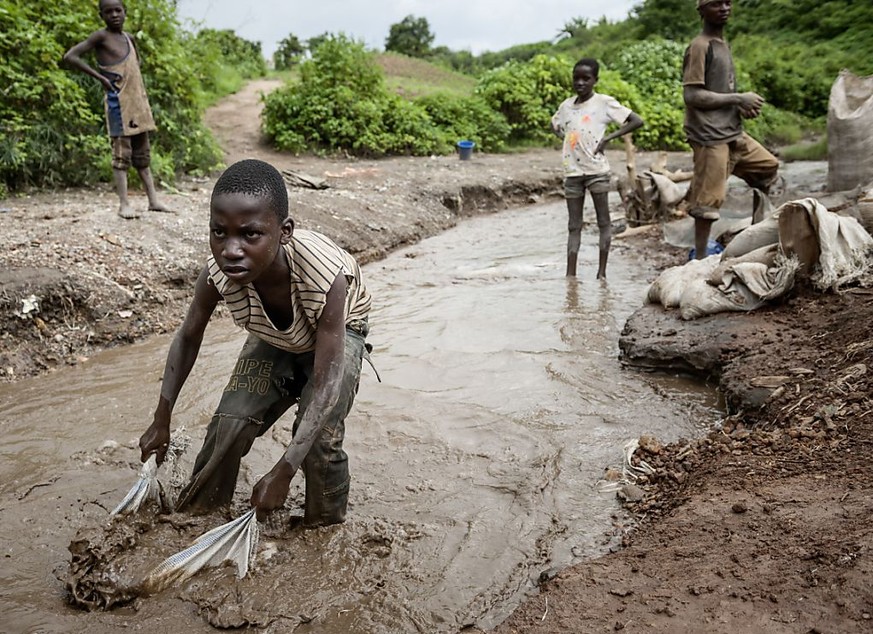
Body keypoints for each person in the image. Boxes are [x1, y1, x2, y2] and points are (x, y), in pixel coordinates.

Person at [138, 159, 372, 527]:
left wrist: (283, 471)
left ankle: (323, 531)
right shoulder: (218, 275)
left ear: (284, 231)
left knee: (319, 441)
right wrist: (161, 418)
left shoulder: (324, 276)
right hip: (275, 335)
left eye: (250, 234)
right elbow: (188, 336)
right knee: (229, 423)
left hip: (338, 330)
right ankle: (198, 518)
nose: (231, 249)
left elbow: (326, 385)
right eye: (219, 233)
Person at [683, 0, 779, 259]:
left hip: (732, 133)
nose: (724, 8)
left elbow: (718, 92)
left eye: (727, 2)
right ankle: (699, 259)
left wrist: (739, 107)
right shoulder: (699, 46)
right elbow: (692, 95)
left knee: (768, 168)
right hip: (710, 137)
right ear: (701, 11)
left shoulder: (722, 44)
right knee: (707, 204)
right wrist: (738, 98)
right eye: (716, 4)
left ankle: (757, 233)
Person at [63, 0, 170, 219]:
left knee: (143, 155)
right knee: (121, 156)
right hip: (118, 106)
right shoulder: (100, 37)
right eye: (108, 11)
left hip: (138, 105)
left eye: (118, 10)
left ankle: (153, 200)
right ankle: (124, 204)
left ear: (125, 13)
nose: (114, 15)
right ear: (101, 15)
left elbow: (135, 67)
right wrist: (100, 78)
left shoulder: (129, 39)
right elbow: (70, 56)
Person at [551, 58, 644, 279]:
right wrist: (565, 139)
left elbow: (636, 120)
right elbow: (554, 124)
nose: (580, 83)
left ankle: (601, 274)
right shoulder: (566, 106)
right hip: (573, 173)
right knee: (574, 226)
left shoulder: (603, 103)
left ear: (595, 80)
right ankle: (570, 276)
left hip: (597, 172)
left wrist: (608, 138)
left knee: (604, 222)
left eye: (586, 78)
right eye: (576, 78)